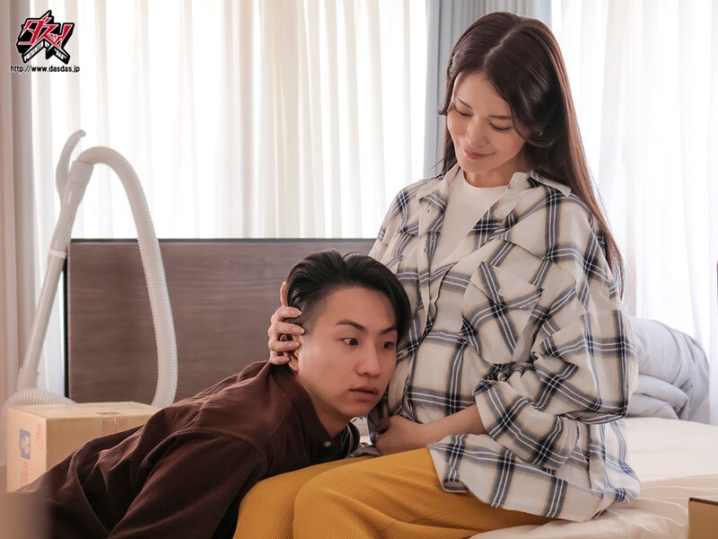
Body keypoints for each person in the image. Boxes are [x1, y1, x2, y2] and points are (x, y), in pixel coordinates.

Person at [236, 11, 640, 539]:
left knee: (328, 500)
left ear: (537, 126)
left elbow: (588, 381)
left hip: (521, 459)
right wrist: (302, 339)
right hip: (405, 451)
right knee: (266, 501)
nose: (472, 136)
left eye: (499, 124)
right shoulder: (412, 207)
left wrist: (430, 436)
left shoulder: (560, 221)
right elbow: (364, 325)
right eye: (461, 110)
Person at [11, 250, 411, 539]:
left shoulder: (329, 429)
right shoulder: (239, 440)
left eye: (387, 344)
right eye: (350, 340)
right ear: (292, 337)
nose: (372, 366)